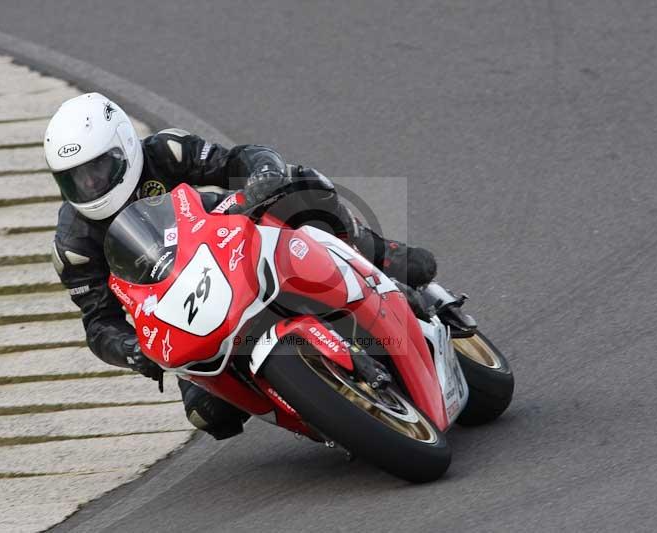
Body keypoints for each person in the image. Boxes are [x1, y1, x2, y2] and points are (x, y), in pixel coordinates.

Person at [45, 93, 437, 440]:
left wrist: (263, 173)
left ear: (124, 146)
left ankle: (375, 254)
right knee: (209, 413)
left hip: (223, 238)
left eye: (97, 169)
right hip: (181, 311)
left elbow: (234, 160)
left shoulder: (166, 151)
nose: (90, 185)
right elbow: (98, 322)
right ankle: (316, 413)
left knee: (299, 185)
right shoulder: (73, 245)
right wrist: (131, 350)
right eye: (74, 179)